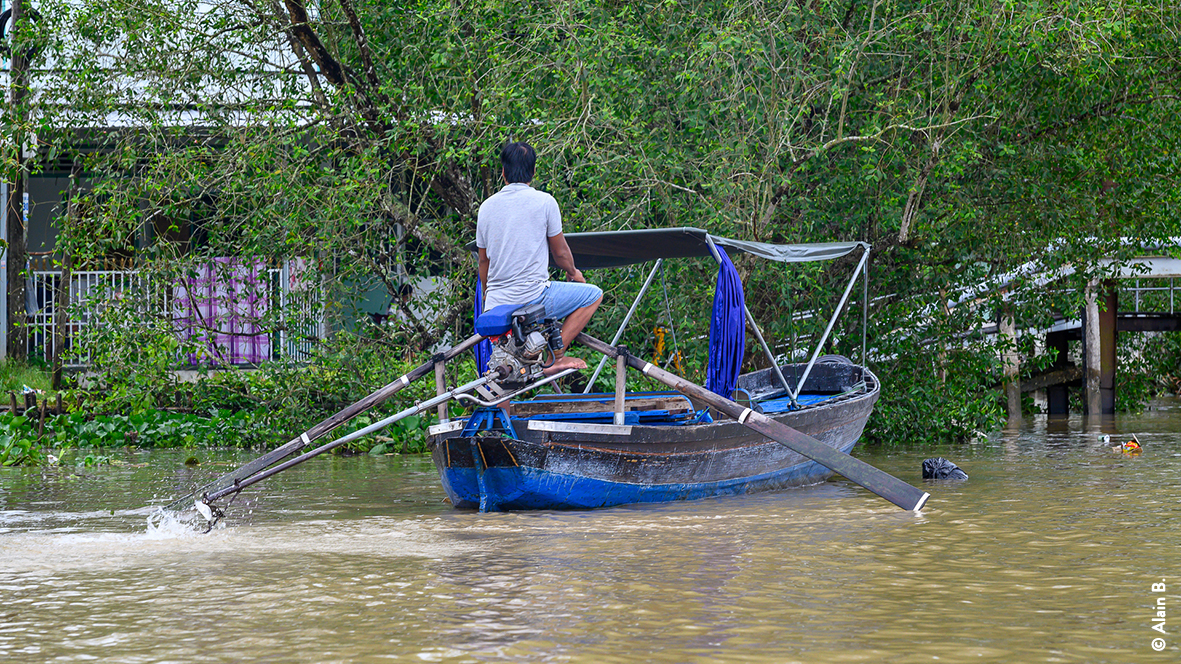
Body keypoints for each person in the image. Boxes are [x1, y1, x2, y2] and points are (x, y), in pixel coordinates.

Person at [477, 141, 602, 375]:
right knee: (593, 295)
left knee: (500, 369)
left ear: (503, 172)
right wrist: (574, 273)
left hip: (496, 302)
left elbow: (484, 262)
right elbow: (560, 251)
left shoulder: (486, 207)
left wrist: (487, 295)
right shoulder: (545, 202)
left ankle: (501, 412)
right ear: (533, 172)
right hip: (533, 298)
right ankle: (557, 356)